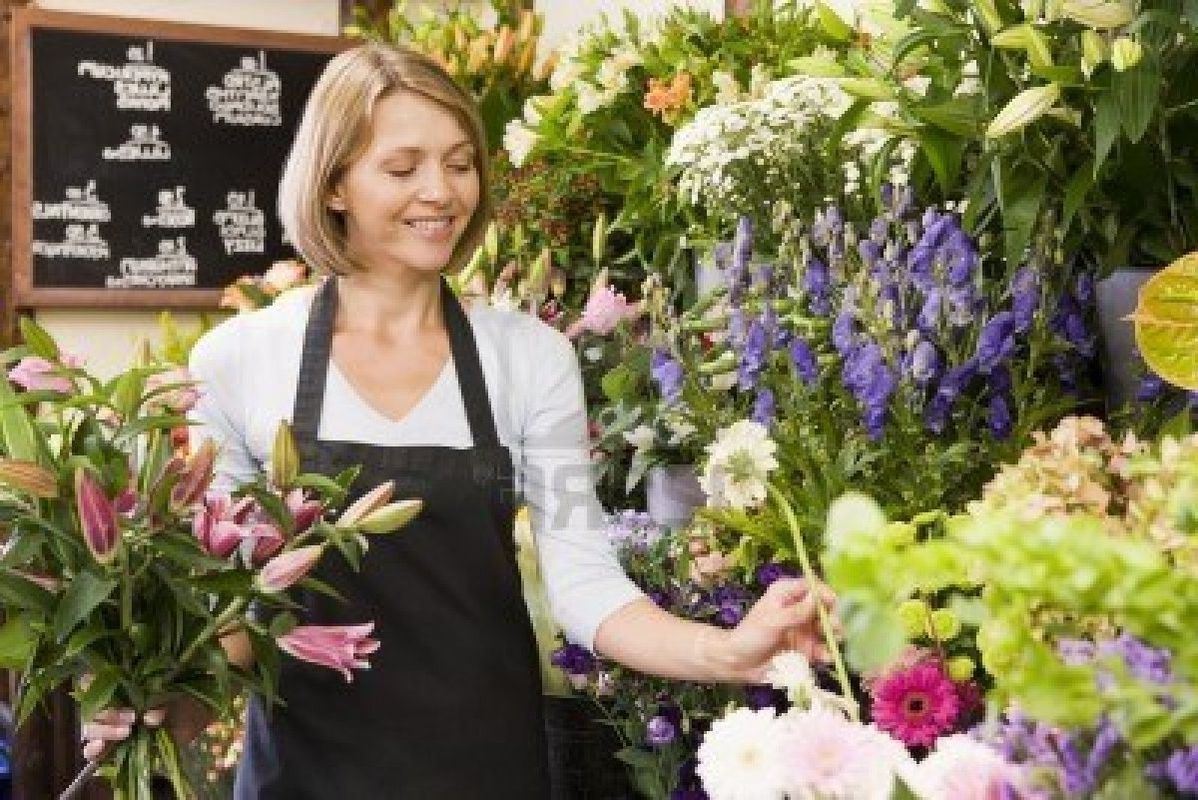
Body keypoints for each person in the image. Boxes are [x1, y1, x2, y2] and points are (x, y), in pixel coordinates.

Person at [83, 43, 835, 798]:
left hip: (483, 768)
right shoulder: (241, 359)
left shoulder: (529, 360)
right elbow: (238, 601)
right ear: (335, 182)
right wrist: (170, 700)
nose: (441, 192)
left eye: (460, 163)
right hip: (303, 776)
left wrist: (731, 650)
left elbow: (583, 583)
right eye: (403, 168)